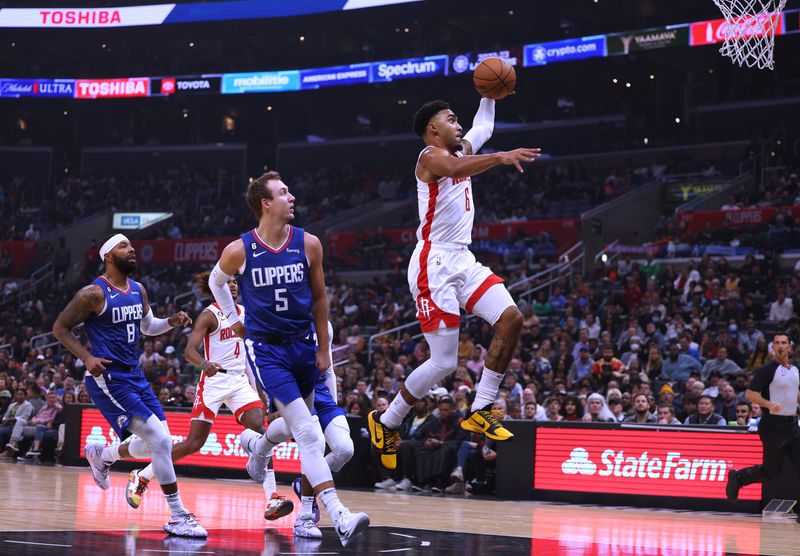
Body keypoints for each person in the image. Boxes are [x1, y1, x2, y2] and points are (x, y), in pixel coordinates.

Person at [369, 97, 541, 470]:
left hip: (463, 258)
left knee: (511, 319)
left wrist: (489, 95)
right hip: (434, 262)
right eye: (451, 119)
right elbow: (455, 165)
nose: (458, 125)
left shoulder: (460, 150)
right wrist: (498, 158)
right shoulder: (430, 157)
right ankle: (387, 421)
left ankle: (481, 406)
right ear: (434, 129)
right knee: (444, 362)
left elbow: (485, 128)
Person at [208, 171, 368, 546]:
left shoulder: (309, 243)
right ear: (266, 204)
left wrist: (324, 350)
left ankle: (259, 448)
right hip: (267, 350)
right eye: (283, 193)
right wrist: (233, 320)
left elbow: (322, 299)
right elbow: (217, 282)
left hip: (303, 345)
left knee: (304, 425)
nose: (292, 197)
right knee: (310, 435)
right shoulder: (240, 249)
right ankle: (337, 514)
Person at [51, 234, 206, 538]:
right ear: (108, 256)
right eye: (124, 246)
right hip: (108, 378)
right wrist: (86, 356)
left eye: (132, 246)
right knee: (161, 441)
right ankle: (177, 515)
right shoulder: (93, 294)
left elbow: (147, 327)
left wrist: (170, 322)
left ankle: (104, 455)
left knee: (157, 442)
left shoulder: (138, 289)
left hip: (135, 376)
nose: (132, 249)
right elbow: (60, 328)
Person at [125, 271, 293, 522]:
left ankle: (272, 498)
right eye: (228, 282)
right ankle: (143, 475)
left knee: (260, 430)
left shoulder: (245, 313)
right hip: (213, 382)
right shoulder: (208, 315)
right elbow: (189, 352)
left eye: (236, 282)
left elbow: (248, 355)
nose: (233, 286)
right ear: (217, 288)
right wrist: (203, 363)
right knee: (194, 444)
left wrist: (258, 389)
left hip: (238, 381)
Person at [726, 333, 800, 513]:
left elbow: (795, 392)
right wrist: (768, 404)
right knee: (771, 471)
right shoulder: (768, 369)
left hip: (792, 425)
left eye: (784, 343)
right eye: (777, 343)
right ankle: (738, 477)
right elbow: (749, 394)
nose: (781, 346)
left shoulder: (795, 369)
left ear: (790, 347)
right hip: (773, 426)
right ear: (773, 347)